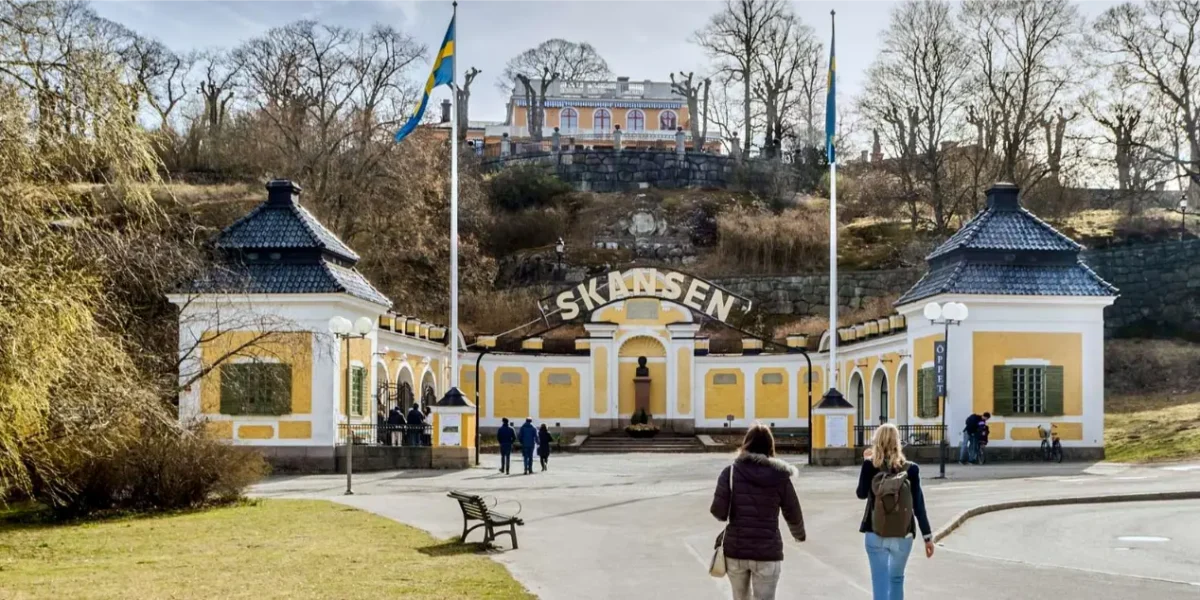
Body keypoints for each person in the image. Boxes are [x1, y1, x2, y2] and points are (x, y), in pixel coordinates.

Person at [710, 423, 805, 600]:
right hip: (767, 552)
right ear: (770, 447)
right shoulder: (780, 475)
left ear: (746, 444)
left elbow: (719, 513)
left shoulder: (730, 473)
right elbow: (793, 511)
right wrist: (799, 535)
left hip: (736, 551)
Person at [857, 423, 934, 600]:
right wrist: (927, 537)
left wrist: (865, 463)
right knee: (897, 579)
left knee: (880, 580)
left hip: (875, 532)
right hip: (903, 534)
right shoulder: (911, 469)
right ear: (897, 442)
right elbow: (918, 506)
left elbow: (861, 494)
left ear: (877, 441)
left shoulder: (870, 465)